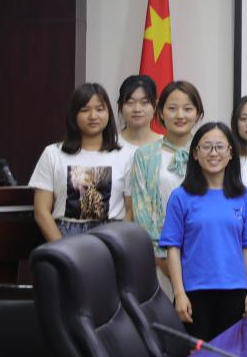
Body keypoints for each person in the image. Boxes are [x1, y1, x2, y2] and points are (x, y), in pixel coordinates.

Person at [160, 122, 247, 340]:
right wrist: (179, 293)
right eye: (206, 147)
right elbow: (173, 249)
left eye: (219, 147)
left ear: (230, 153)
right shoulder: (180, 197)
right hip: (194, 293)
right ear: (195, 154)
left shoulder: (244, 196)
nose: (213, 153)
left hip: (235, 292)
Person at [31, 83, 135, 241]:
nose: (93, 116)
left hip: (112, 236)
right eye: (85, 110)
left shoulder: (126, 155)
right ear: (73, 115)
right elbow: (41, 211)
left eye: (99, 109)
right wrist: (62, 248)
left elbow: (131, 209)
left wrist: (118, 243)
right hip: (66, 235)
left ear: (108, 113)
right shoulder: (52, 153)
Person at [126, 80, 204, 290]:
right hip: (158, 259)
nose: (180, 115)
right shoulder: (144, 155)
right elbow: (141, 212)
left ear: (198, 113)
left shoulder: (209, 152)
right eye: (172, 108)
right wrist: (163, 260)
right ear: (160, 113)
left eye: (188, 109)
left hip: (202, 256)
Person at [116, 74, 161, 149]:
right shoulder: (109, 146)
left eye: (144, 102)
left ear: (155, 106)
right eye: (130, 102)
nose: (137, 109)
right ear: (120, 106)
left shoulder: (167, 147)